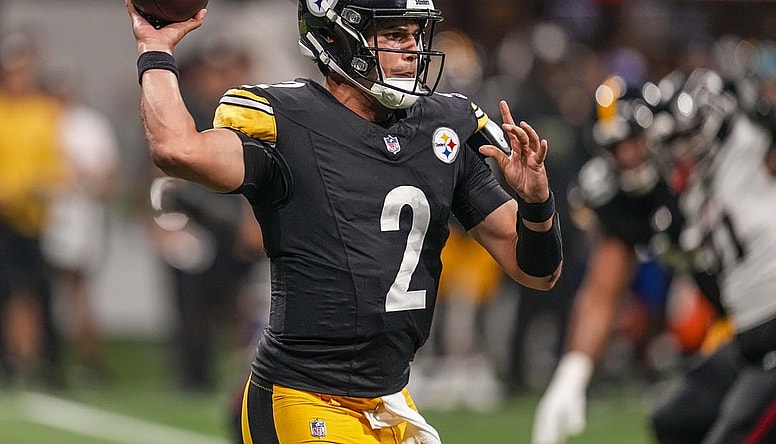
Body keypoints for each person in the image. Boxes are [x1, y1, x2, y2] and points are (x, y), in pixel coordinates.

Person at [126, 0, 564, 442]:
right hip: (305, 394)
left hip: (390, 399)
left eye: (415, 34)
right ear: (336, 37)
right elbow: (176, 150)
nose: (413, 49)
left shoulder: (441, 127)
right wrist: (155, 49)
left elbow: (537, 271)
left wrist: (536, 202)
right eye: (394, 34)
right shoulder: (289, 121)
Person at [533, 68, 776, 444]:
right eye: (615, 149)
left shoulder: (725, 145)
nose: (629, 156)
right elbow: (603, 292)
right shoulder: (635, 199)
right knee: (675, 422)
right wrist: (572, 374)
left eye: (635, 140)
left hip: (775, 321)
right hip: (746, 330)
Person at [148, 34, 264, 392]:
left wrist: (252, 223)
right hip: (195, 222)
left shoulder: (252, 115)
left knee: (240, 302)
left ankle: (245, 370)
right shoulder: (189, 112)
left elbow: (258, 176)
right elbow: (162, 173)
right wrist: (164, 224)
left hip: (232, 224)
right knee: (193, 305)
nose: (218, 80)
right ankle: (193, 373)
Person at [39, 59, 120, 385]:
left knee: (78, 288)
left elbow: (107, 175)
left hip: (78, 213)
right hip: (43, 212)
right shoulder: (40, 120)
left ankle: (87, 361)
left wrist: (85, 179)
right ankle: (45, 360)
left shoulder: (88, 124)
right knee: (42, 290)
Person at [0, 29, 67, 387]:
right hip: (5, 218)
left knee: (35, 291)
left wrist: (26, 189)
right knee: (11, 292)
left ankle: (38, 360)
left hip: (31, 219)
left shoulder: (43, 112)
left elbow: (54, 166)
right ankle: (13, 361)